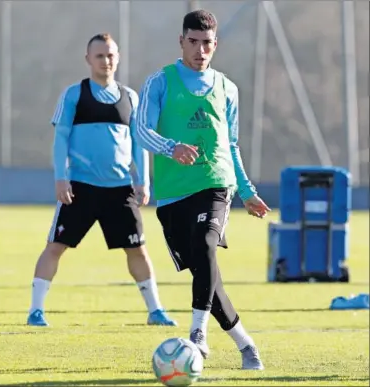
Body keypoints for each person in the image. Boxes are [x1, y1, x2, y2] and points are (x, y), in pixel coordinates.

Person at [136, 10, 270, 370]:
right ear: (181, 42)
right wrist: (171, 148)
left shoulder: (228, 88)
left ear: (215, 44)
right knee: (205, 274)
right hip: (172, 194)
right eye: (193, 42)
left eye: (207, 43)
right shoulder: (159, 82)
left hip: (215, 182)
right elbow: (141, 130)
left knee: (207, 244)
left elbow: (233, 144)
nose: (200, 50)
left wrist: (246, 190)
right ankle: (247, 345)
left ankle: (198, 333)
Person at [26, 33, 177, 328]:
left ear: (117, 58)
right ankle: (35, 311)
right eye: (99, 56)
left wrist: (143, 181)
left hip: (120, 190)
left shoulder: (130, 97)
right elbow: (61, 140)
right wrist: (61, 178)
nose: (105, 61)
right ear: (88, 60)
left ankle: (155, 310)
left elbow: (139, 142)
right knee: (55, 246)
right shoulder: (73, 95)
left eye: (110, 55)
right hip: (79, 189)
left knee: (137, 249)